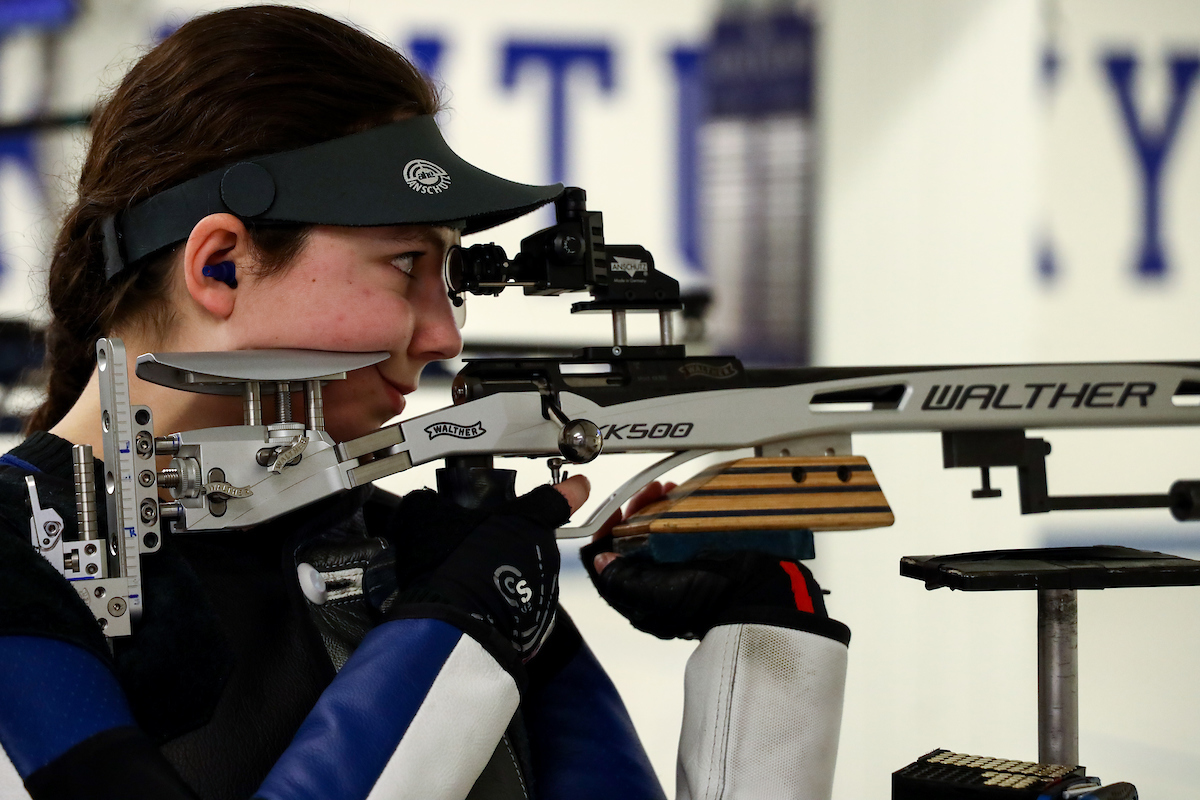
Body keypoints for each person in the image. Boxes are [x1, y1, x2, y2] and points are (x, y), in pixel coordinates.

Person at [0, 7, 850, 800]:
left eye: (451, 279)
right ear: (221, 264)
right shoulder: (14, 561)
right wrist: (454, 640)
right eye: (406, 263)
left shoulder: (412, 552)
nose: (445, 336)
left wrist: (762, 641)